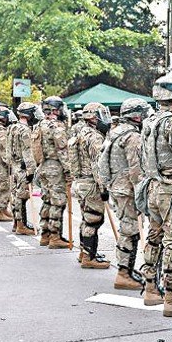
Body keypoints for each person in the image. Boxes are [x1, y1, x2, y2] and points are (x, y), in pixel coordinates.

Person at [139, 70, 172, 312]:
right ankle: (171, 296)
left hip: (152, 186)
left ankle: (150, 286)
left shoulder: (148, 122)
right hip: (170, 187)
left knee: (153, 236)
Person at [102, 98, 146, 289]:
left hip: (117, 186)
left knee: (127, 228)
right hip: (128, 189)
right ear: (136, 115)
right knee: (131, 230)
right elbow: (136, 170)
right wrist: (141, 194)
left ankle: (126, 269)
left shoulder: (115, 132)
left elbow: (101, 161)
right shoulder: (133, 136)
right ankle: (123, 273)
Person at [68, 102, 111, 268]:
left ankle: (84, 252)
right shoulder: (94, 137)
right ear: (93, 117)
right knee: (93, 220)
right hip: (91, 183)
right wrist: (103, 188)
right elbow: (97, 165)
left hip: (81, 182)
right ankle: (89, 257)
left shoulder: (80, 131)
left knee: (86, 219)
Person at [34, 96, 71, 249]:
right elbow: (62, 150)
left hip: (43, 166)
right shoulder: (57, 126)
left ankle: (45, 234)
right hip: (55, 167)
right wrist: (69, 171)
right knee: (58, 201)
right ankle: (55, 236)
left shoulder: (39, 125)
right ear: (56, 110)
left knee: (47, 200)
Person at [6, 102, 39, 235]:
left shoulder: (11, 128)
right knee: (21, 196)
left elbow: (8, 149)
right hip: (22, 167)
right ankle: (21, 225)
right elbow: (27, 151)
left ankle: (16, 222)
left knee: (15, 195)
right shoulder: (25, 130)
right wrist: (31, 171)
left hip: (14, 166)